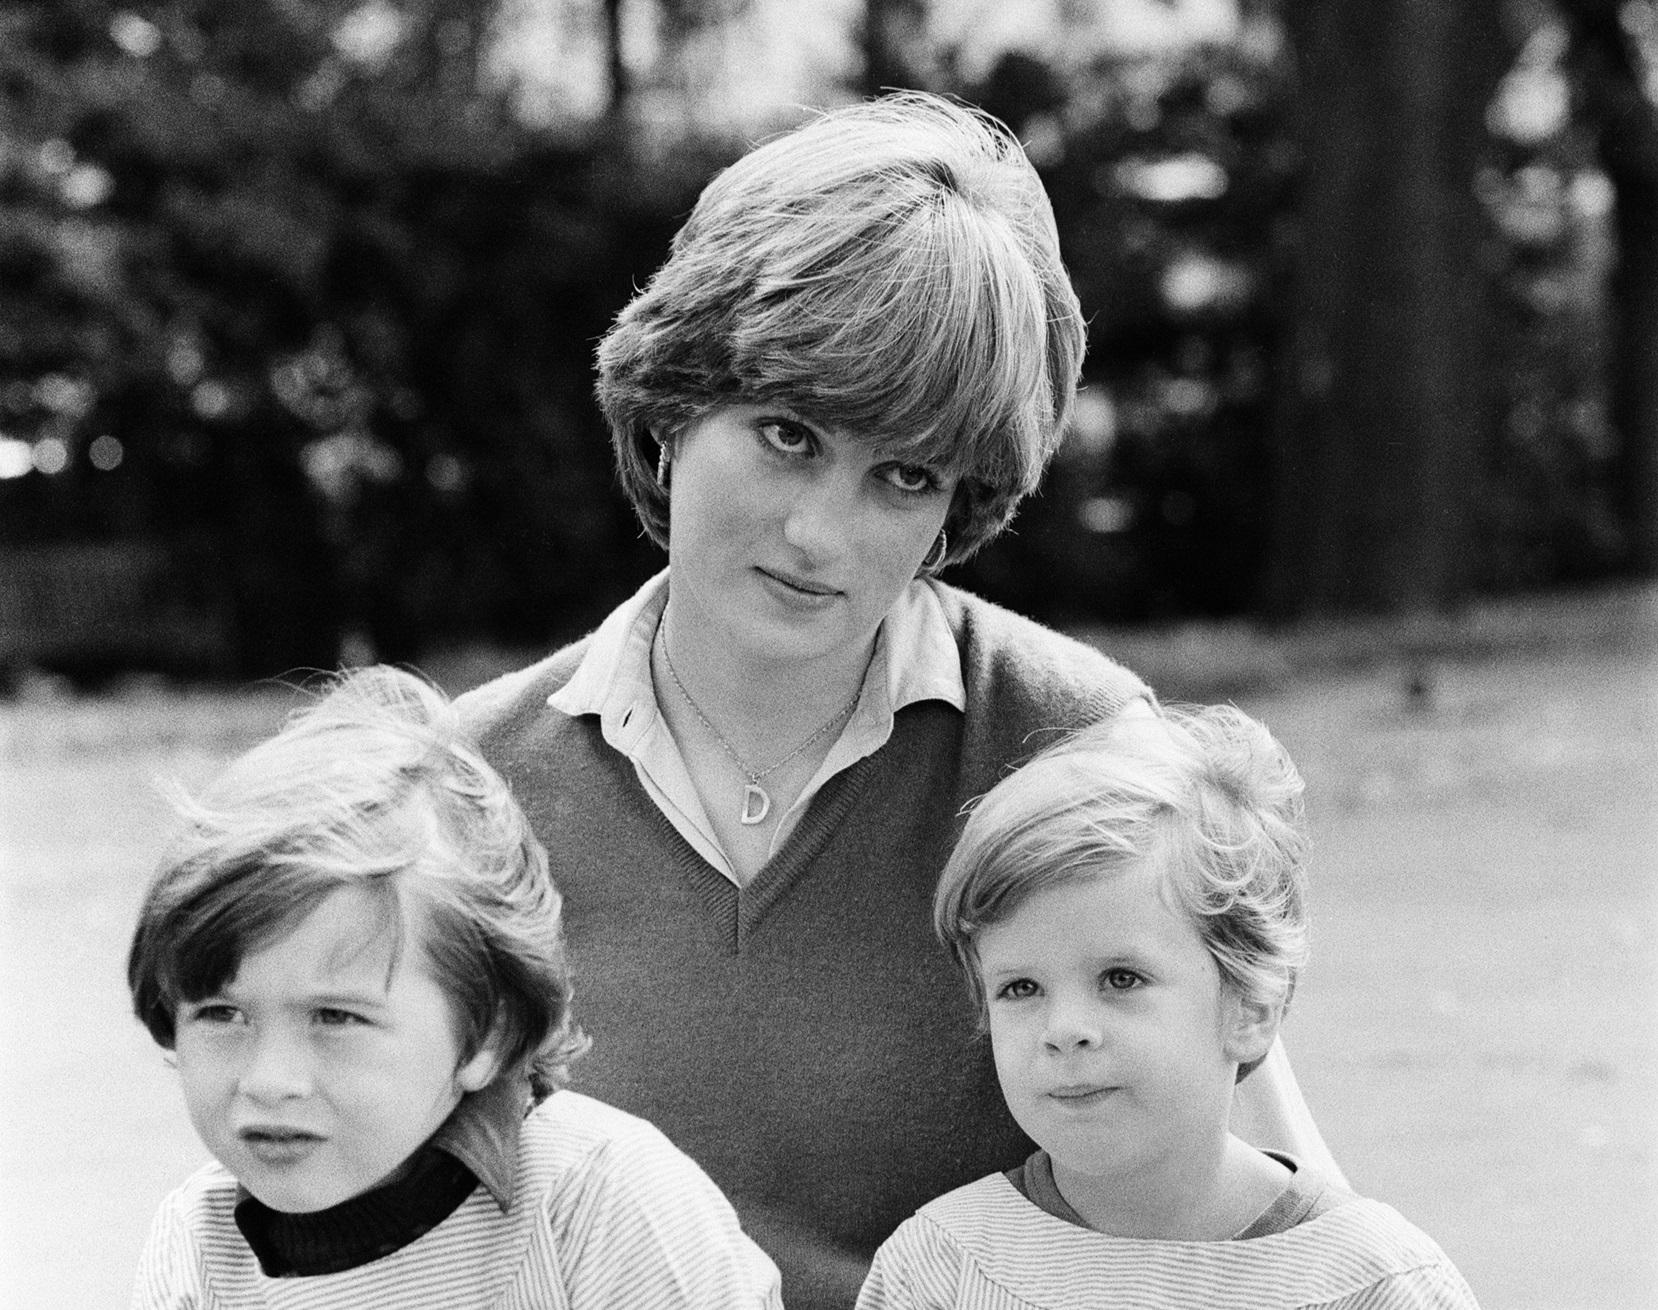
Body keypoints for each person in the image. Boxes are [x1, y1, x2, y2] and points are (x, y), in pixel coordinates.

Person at [458, 91, 1335, 1308]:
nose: (821, 533)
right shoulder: (463, 798)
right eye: (785, 434)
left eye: (903, 474)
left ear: (955, 505)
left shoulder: (1069, 741)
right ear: (669, 409)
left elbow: (1279, 1224)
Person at [125, 666, 782, 1309]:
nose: (269, 1080)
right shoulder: (197, 1252)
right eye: (220, 1013)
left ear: (486, 1036)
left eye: (335, 1017)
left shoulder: (597, 1201)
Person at [855, 706, 1480, 1310]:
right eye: (1021, 988)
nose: (1065, 1030)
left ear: (1250, 1007)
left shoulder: (1375, 1283)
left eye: (1120, 978)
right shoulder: (943, 1266)